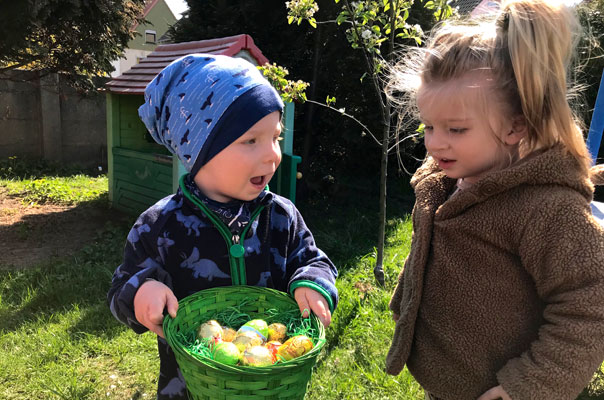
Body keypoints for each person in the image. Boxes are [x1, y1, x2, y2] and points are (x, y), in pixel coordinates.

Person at [384, 1, 604, 399]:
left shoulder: (546, 208)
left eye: (455, 128)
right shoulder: (445, 183)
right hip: (447, 381)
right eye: (429, 125)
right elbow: (426, 250)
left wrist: (527, 385)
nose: (434, 142)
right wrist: (407, 303)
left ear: (514, 126)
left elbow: (591, 303)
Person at [107, 54, 338, 400]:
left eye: (275, 136)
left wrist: (313, 283)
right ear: (197, 150)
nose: (272, 155)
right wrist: (141, 292)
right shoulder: (160, 225)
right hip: (190, 389)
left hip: (270, 387)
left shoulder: (281, 216)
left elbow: (312, 260)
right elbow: (120, 288)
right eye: (251, 140)